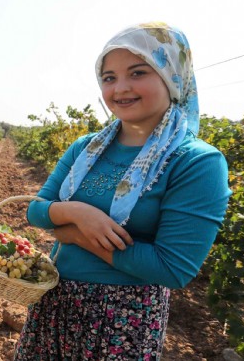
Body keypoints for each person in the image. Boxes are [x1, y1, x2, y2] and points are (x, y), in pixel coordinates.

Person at [16, 22, 231, 360]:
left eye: (138, 72)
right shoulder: (86, 148)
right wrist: (76, 213)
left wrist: (74, 235)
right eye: (109, 77)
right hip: (54, 303)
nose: (121, 88)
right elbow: (36, 209)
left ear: (171, 76)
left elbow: (173, 268)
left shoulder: (197, 162)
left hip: (123, 321)